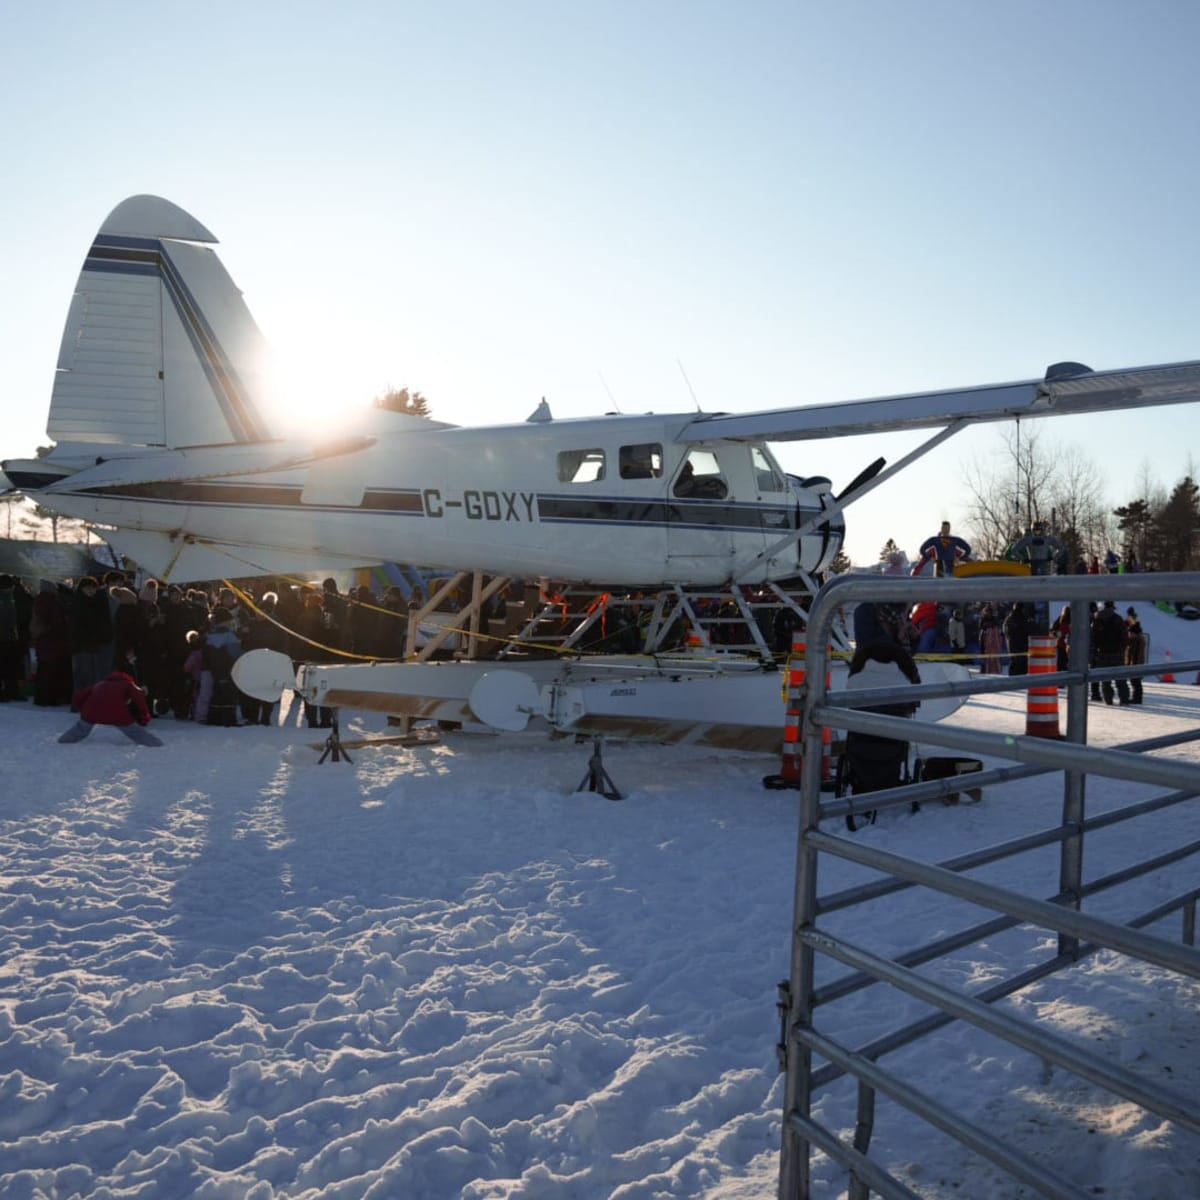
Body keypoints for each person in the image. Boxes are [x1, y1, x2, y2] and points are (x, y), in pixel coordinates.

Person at [58, 668, 163, 745]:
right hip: (117, 713)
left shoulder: (100, 684)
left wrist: (82, 710)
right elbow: (139, 697)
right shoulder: (129, 684)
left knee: (81, 728)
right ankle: (157, 745)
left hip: (91, 711)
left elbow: (78, 696)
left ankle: (62, 741)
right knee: (134, 732)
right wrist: (145, 716)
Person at [0, 573, 33, 702]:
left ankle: (12, 691)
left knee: (11, 667)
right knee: (3, 666)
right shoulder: (6, 598)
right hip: (3, 637)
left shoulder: (11, 597)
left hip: (11, 637)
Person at [1090, 600, 1129, 705]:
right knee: (1120, 679)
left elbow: (1092, 638)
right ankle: (1124, 699)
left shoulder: (1097, 619)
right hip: (1117, 654)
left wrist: (1094, 652)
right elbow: (1125, 636)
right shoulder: (1118, 619)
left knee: (1105, 680)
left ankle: (1108, 699)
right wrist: (1121, 649)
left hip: (1102, 653)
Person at [1124, 607, 1147, 705]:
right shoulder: (1137, 639)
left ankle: (1137, 698)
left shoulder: (1136, 640)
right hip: (1135, 663)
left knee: (1135, 682)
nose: (1129, 634)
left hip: (1136, 663)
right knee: (1135, 682)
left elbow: (1134, 654)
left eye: (1131, 633)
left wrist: (1132, 664)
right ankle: (1136, 697)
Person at [1003, 602, 1030, 675]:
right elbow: (1026, 630)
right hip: (1021, 643)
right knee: (1022, 661)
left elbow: (1005, 630)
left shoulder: (1009, 618)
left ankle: (1012, 677)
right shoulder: (1022, 617)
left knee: (1014, 661)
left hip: (1011, 642)